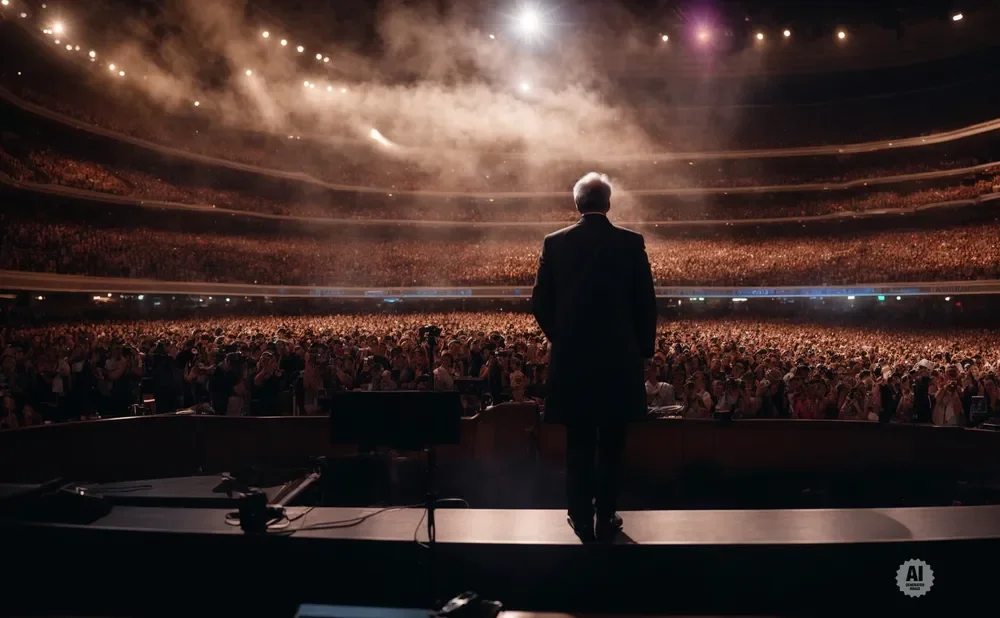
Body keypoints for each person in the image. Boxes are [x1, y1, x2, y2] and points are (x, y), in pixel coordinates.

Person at [531, 172, 657, 542]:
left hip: (574, 363)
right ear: (608, 203)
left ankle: (580, 517)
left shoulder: (555, 244)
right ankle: (606, 514)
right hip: (619, 362)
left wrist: (564, 338)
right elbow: (645, 303)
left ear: (577, 204)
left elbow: (539, 303)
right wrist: (640, 351)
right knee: (613, 443)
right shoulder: (631, 243)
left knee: (579, 442)